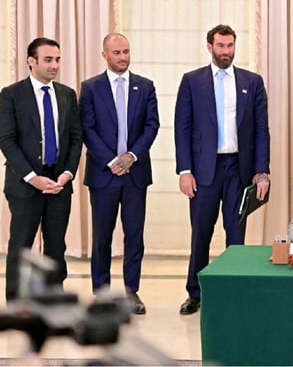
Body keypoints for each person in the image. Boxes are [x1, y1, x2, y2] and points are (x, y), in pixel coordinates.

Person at [174, 24, 271, 315]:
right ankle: (195, 293)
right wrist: (184, 170)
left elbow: (261, 130)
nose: (226, 51)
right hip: (203, 171)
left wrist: (261, 170)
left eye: (230, 46)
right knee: (201, 233)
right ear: (210, 47)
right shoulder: (192, 81)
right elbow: (183, 127)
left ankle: (233, 291)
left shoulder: (252, 82)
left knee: (236, 234)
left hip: (238, 170)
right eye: (221, 46)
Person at [79, 33, 160, 315]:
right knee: (102, 236)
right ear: (105, 55)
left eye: (126, 51)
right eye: (117, 53)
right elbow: (87, 128)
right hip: (104, 175)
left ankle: (131, 292)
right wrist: (112, 160)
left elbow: (152, 126)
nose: (123, 57)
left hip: (135, 174)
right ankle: (101, 294)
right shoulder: (90, 88)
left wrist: (131, 157)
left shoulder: (145, 86)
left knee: (134, 235)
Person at [0, 38, 82, 300]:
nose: (55, 65)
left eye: (58, 59)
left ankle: (54, 297)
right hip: (25, 184)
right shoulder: (11, 94)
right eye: (48, 59)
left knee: (56, 247)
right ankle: (15, 302)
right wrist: (32, 178)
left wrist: (67, 174)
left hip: (59, 183)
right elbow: (6, 140)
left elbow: (75, 138)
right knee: (21, 246)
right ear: (31, 61)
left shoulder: (67, 94)